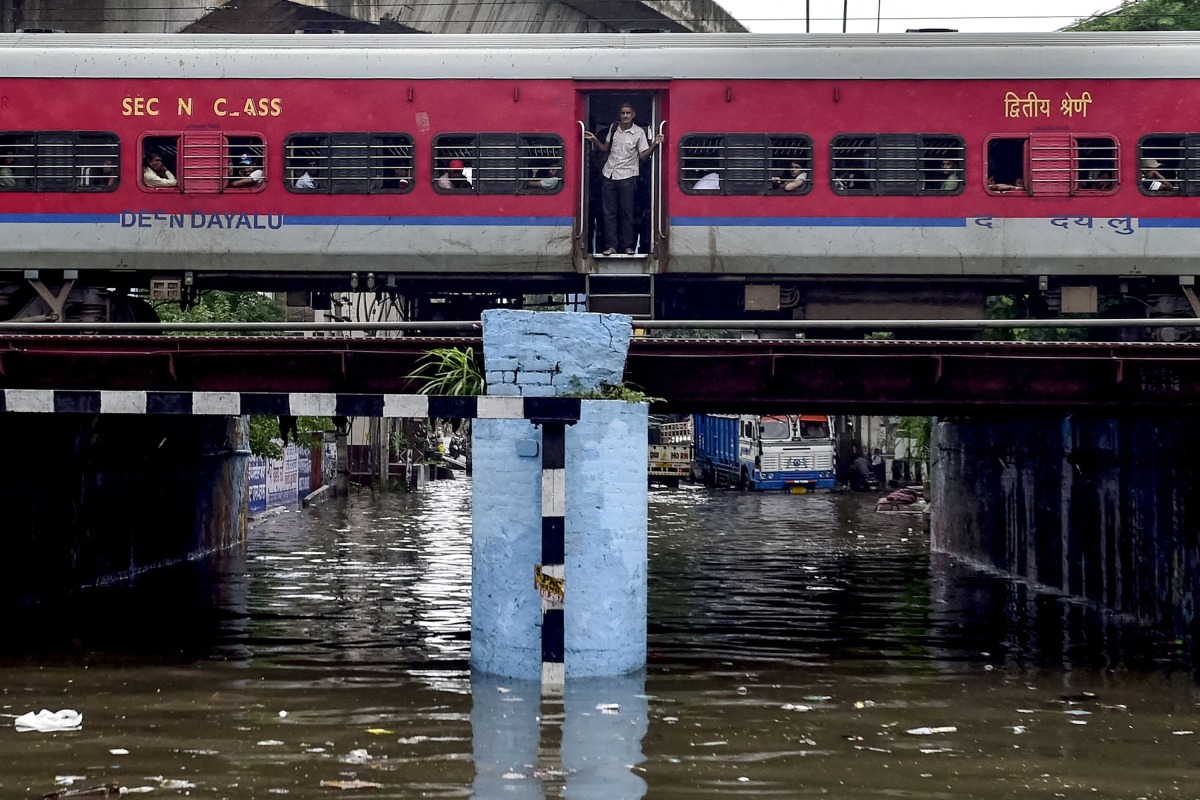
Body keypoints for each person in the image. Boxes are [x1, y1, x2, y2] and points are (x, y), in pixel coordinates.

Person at [584, 102, 663, 256]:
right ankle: (611, 246)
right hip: (609, 173)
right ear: (619, 114)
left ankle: (627, 246)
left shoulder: (639, 133)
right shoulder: (614, 128)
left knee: (627, 212)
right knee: (609, 212)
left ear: (633, 115)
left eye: (628, 113)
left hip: (628, 176)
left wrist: (655, 144)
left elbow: (643, 156)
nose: (625, 116)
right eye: (622, 113)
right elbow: (605, 149)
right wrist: (594, 140)